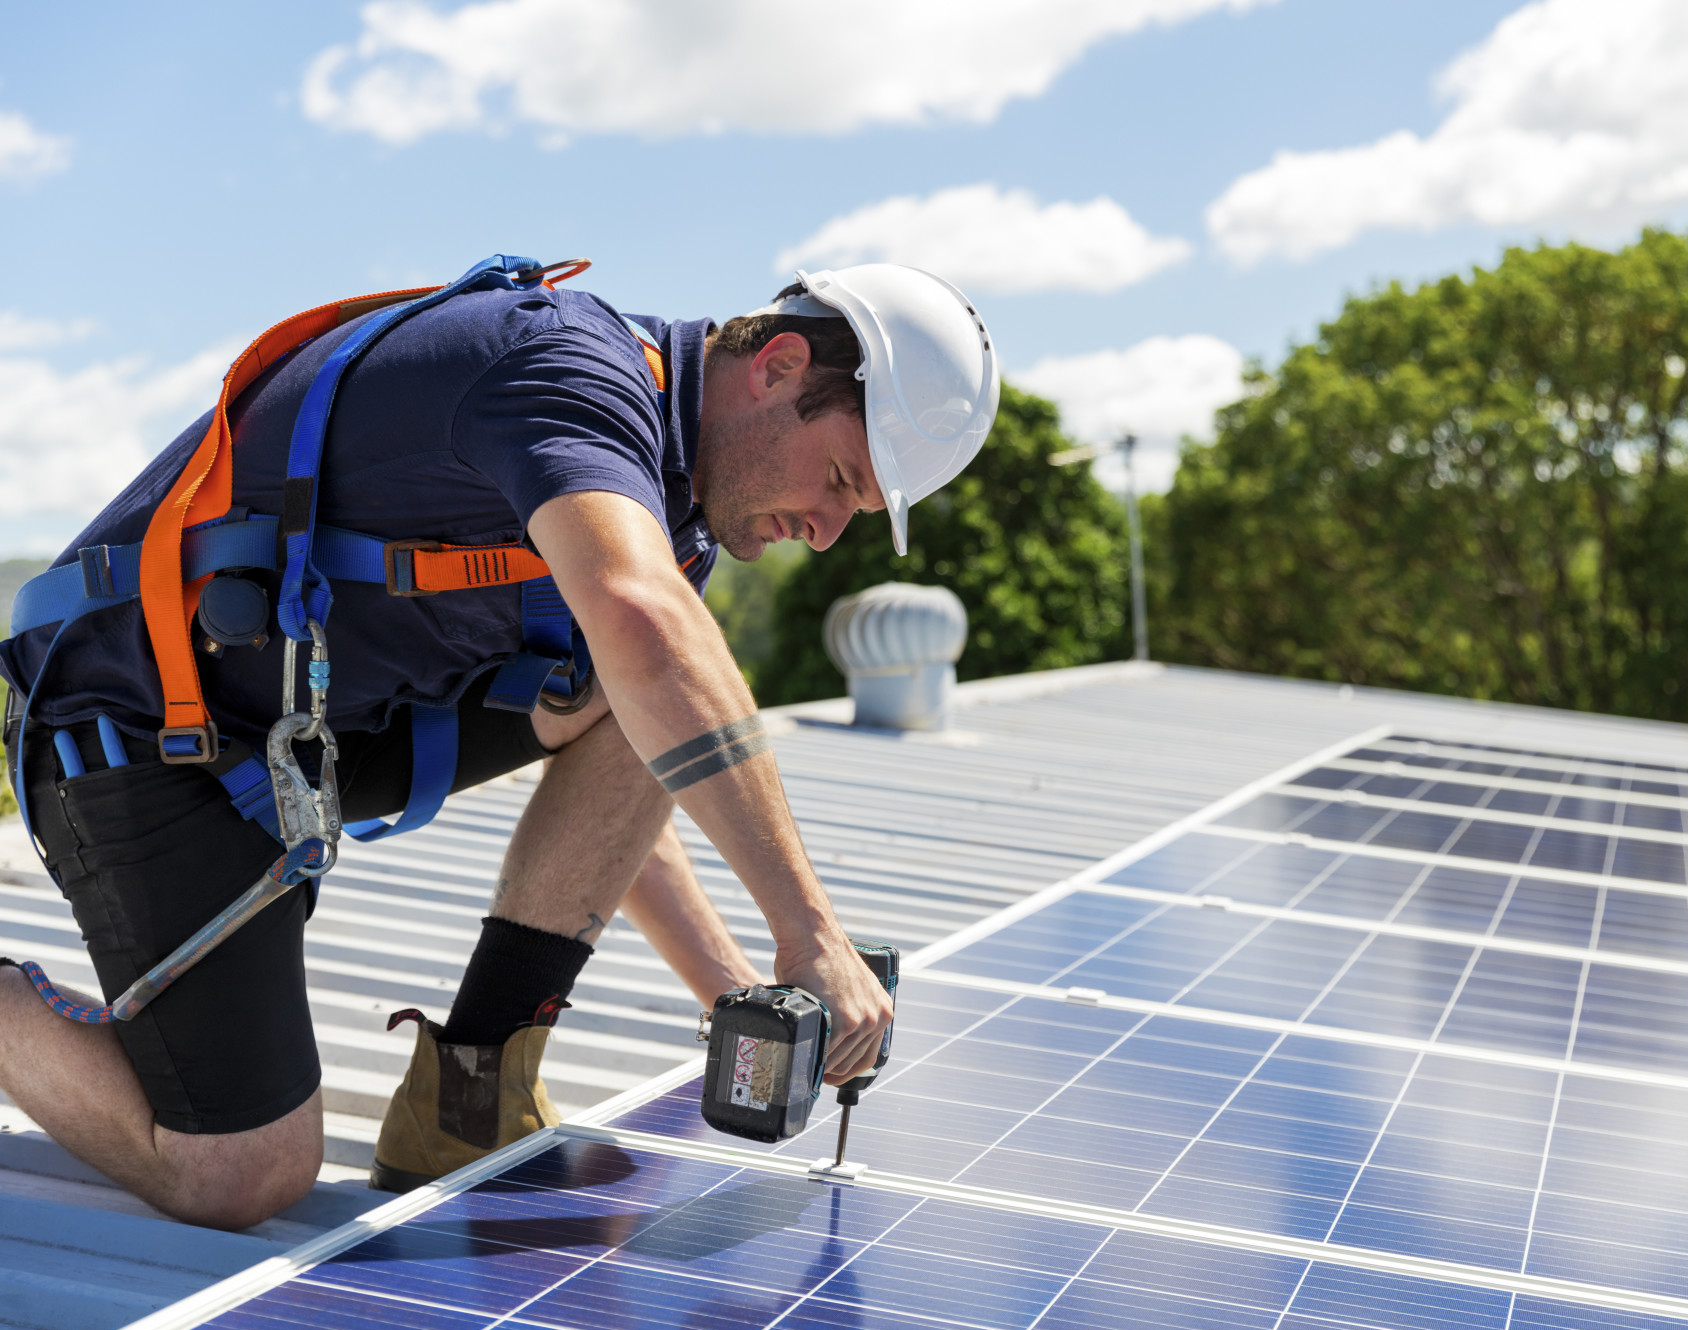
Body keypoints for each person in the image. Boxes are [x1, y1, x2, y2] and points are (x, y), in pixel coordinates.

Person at [0, 257, 997, 1228]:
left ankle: (462, 1098)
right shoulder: (562, 367)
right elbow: (651, 638)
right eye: (836, 478)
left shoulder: (668, 515)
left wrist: (734, 992)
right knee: (239, 1175)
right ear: (777, 366)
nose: (824, 532)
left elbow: (644, 749)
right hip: (136, 729)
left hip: (294, 741)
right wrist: (810, 930)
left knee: (640, 690)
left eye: (852, 513)